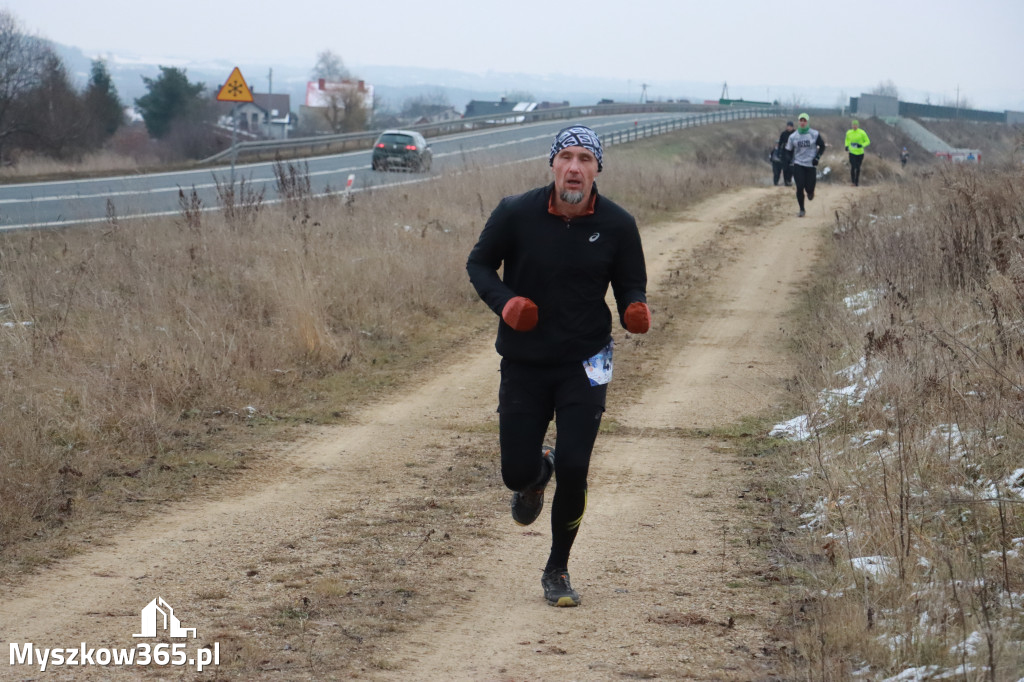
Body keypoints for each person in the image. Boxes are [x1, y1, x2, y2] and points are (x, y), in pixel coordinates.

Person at [466, 125, 651, 607]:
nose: (575, 167)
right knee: (514, 471)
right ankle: (535, 474)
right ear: (552, 164)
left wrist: (634, 307)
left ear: (597, 168)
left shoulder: (618, 224)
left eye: (585, 159)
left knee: (576, 466)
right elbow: (479, 265)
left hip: (586, 361)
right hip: (525, 361)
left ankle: (557, 569)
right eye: (566, 156)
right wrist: (506, 304)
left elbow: (632, 283)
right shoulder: (515, 213)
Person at [785, 113, 826, 218]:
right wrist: (790, 161)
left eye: (804, 121)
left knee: (809, 188)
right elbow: (788, 150)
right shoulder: (793, 136)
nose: (802, 122)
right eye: (801, 120)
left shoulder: (814, 134)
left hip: (811, 164)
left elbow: (822, 146)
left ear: (807, 122)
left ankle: (811, 192)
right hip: (798, 163)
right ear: (798, 122)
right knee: (799, 187)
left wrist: (817, 158)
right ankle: (802, 209)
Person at [844, 119, 871, 186]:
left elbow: (867, 141)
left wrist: (861, 145)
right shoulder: (849, 132)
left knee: (858, 167)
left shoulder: (862, 132)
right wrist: (846, 146)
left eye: (855, 125)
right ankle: (853, 182)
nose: (854, 126)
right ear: (851, 125)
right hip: (852, 152)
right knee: (853, 166)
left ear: (858, 125)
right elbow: (847, 140)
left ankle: (857, 182)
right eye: (853, 125)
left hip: (860, 153)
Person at [776, 121, 796, 186]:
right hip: (785, 152)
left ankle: (789, 180)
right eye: (788, 126)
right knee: (785, 168)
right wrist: (779, 152)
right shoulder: (783, 134)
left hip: (793, 152)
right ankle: (786, 182)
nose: (789, 128)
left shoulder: (796, 133)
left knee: (791, 168)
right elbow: (780, 143)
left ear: (793, 127)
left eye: (790, 126)